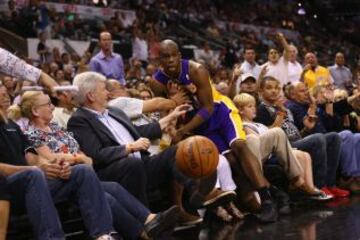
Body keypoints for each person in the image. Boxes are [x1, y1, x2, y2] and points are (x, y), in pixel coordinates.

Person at [150, 39, 290, 223]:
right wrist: (172, 112)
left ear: (179, 56)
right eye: (164, 57)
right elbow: (166, 111)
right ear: (158, 59)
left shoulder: (196, 70)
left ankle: (266, 202)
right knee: (231, 160)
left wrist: (184, 130)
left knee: (239, 146)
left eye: (172, 55)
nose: (169, 60)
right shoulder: (156, 82)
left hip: (220, 111)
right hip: (198, 123)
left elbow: (207, 107)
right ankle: (275, 193)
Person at [68, 72, 234, 226]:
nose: (108, 93)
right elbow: (96, 155)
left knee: (177, 150)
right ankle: (147, 222)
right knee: (132, 165)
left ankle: (200, 193)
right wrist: (129, 148)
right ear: (91, 95)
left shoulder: (114, 112)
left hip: (141, 163)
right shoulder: (79, 120)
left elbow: (138, 132)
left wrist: (170, 117)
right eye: (104, 89)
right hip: (113, 172)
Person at [11, 90, 180, 240]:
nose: (52, 107)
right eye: (48, 104)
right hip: (61, 179)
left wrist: (77, 158)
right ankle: (139, 230)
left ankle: (148, 222)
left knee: (112, 188)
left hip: (80, 175)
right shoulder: (30, 134)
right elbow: (51, 159)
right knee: (105, 194)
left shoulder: (57, 128)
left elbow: (88, 159)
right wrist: (77, 158)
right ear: (35, 111)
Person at [255, 77, 348, 198]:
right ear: (261, 92)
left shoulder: (287, 109)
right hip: (282, 148)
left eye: (276, 88)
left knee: (334, 137)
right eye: (269, 88)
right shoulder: (261, 109)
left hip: (296, 142)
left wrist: (307, 129)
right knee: (318, 138)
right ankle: (320, 187)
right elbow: (272, 135)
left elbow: (296, 134)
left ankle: (331, 185)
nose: (274, 91)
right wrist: (280, 111)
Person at [234, 93, 331, 200]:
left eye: (254, 106)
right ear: (240, 110)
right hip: (259, 154)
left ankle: (309, 188)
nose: (254, 109)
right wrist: (280, 113)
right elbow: (260, 139)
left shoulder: (259, 124)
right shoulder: (243, 125)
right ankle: (297, 181)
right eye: (249, 106)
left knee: (304, 155)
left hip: (274, 149)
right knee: (279, 133)